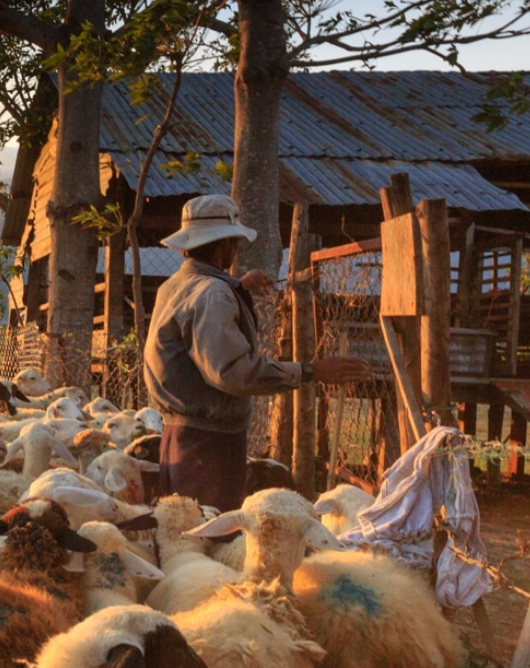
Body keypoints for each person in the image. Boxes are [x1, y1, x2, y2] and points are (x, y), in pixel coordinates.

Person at [144, 194, 373, 513]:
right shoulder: (214, 294)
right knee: (211, 539)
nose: (236, 251)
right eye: (234, 244)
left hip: (178, 437)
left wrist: (238, 284)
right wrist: (311, 371)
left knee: (183, 537)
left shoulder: (176, 286)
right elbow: (232, 372)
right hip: (208, 448)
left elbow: (200, 318)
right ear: (224, 246)